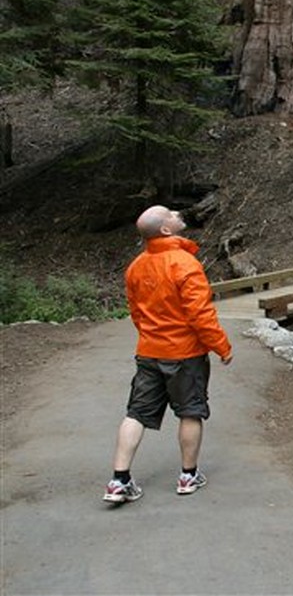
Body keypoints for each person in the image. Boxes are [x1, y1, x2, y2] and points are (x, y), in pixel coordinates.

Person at [103, 205, 233, 504]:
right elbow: (200, 314)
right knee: (190, 411)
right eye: (170, 213)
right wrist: (221, 347)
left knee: (136, 412)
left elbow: (136, 312)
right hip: (185, 354)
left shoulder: (135, 267)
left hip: (149, 352)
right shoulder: (184, 264)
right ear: (165, 229)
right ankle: (188, 475)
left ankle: (119, 479)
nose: (177, 212)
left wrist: (151, 334)